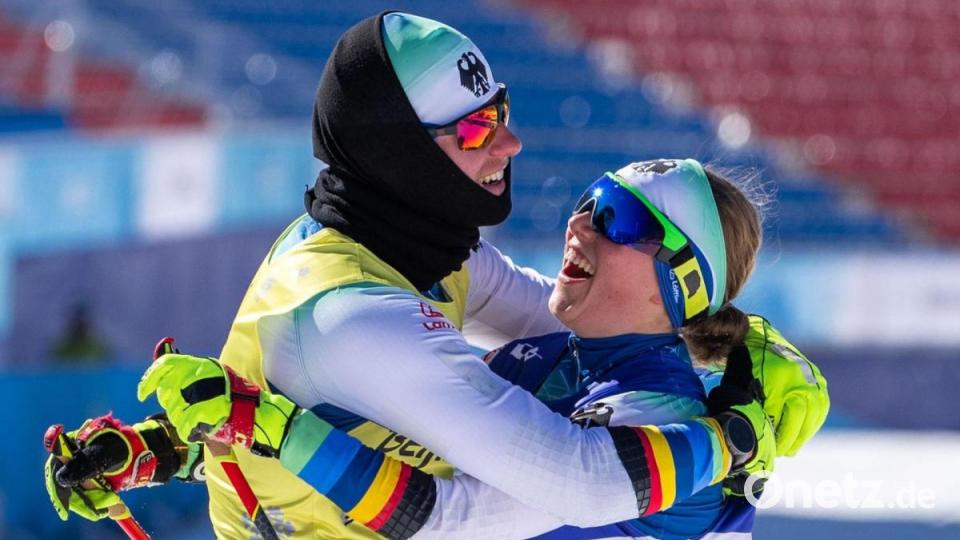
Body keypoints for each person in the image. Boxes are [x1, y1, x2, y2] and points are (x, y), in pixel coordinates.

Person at [44, 11, 828, 539]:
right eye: (477, 127)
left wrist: (733, 353)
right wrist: (739, 428)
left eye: (616, 220)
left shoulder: (398, 251)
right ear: (400, 155)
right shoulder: (366, 314)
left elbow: (433, 482)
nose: (513, 145)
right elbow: (475, 493)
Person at [139, 158, 783, 539]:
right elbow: (400, 431)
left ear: (682, 282)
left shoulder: (658, 415)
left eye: (620, 219)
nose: (580, 221)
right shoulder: (562, 351)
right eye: (590, 200)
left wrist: (272, 430)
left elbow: (441, 520)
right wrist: (179, 446)